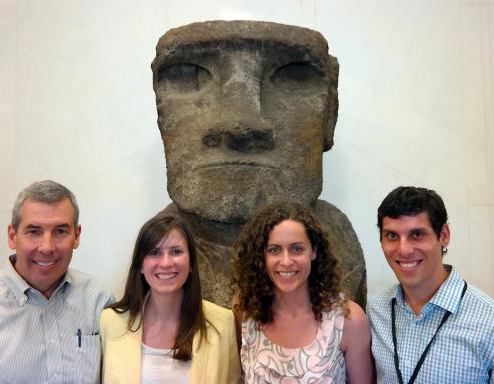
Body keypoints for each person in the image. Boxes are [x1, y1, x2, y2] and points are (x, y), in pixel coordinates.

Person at [151, 20, 366, 307]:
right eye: (190, 76)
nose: (240, 124)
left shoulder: (339, 247)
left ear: (331, 112)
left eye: (294, 77)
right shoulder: (156, 251)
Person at [0, 180, 114, 383]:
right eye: (34, 231)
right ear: (12, 236)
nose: (47, 247)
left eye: (60, 231)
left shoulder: (100, 301)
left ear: (76, 236)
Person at [368, 186, 494, 383]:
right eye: (392, 236)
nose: (404, 249)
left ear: (444, 236)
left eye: (417, 234)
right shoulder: (376, 310)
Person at [231, 203, 374, 383]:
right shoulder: (245, 311)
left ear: (313, 251)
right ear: (261, 256)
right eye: (274, 250)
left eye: (297, 249)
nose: (286, 261)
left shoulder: (348, 319)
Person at [99, 214, 241, 383]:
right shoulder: (110, 322)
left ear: (191, 264)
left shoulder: (222, 323)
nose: (165, 263)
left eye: (176, 252)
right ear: (141, 266)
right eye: (155, 252)